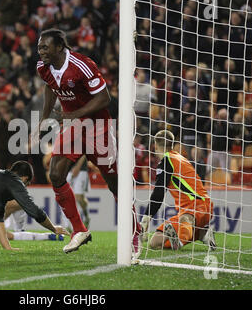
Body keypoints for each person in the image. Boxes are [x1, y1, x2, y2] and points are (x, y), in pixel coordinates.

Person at [35, 28, 141, 255]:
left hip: (98, 128)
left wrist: (74, 114)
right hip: (73, 128)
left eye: (45, 47)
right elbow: (50, 87)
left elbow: (104, 98)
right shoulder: (42, 68)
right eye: (39, 47)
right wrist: (43, 118)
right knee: (55, 174)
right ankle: (79, 230)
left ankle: (134, 230)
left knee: (114, 184)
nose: (40, 51)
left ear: (59, 47)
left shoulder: (82, 65)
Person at [139, 130, 216, 252]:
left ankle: (179, 242)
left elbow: (158, 193)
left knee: (185, 219)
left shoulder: (167, 161)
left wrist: (146, 218)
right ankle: (203, 234)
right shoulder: (179, 157)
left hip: (197, 205)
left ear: (155, 145)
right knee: (155, 242)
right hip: (194, 208)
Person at [62, 155, 90, 229]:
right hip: (68, 170)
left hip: (81, 170)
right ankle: (67, 225)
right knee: (65, 196)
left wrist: (78, 166)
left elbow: (84, 152)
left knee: (79, 197)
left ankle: (86, 217)